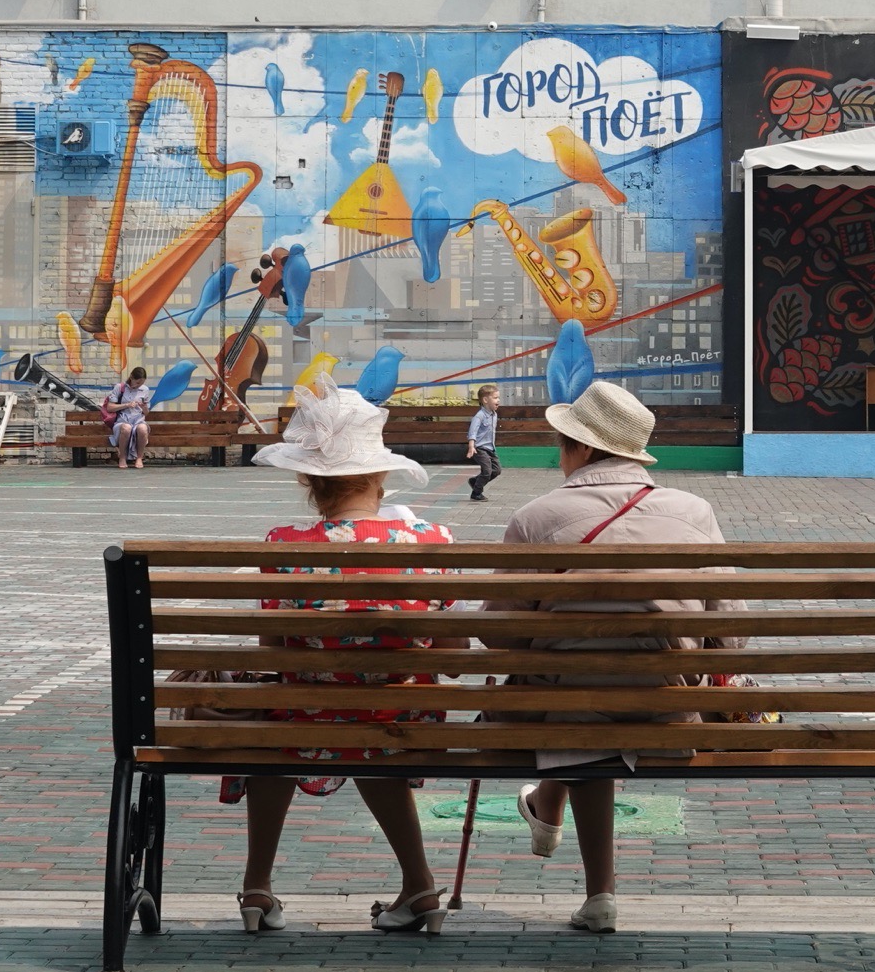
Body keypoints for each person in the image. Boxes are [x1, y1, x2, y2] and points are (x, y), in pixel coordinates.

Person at [479, 380, 744, 934]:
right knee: (597, 693)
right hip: (668, 710)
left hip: (560, 708)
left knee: (579, 701)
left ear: (581, 447)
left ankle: (592, 879)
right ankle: (561, 827)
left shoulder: (535, 517)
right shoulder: (694, 512)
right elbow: (729, 632)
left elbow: (500, 636)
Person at [233, 372, 459, 936]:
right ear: (381, 474)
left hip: (309, 709)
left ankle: (257, 885)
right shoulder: (433, 540)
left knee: (277, 720)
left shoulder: (284, 544)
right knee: (368, 724)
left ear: (309, 480)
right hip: (402, 713)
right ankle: (419, 884)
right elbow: (453, 654)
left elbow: (273, 653)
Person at [106, 366, 152, 470]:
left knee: (142, 429)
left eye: (141, 383)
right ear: (131, 377)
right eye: (137, 382)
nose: (139, 385)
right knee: (126, 428)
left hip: (138, 420)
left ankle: (139, 457)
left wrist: (144, 407)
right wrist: (126, 405)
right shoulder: (120, 387)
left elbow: (146, 413)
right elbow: (110, 407)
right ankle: (122, 457)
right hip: (122, 420)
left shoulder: (145, 390)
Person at [466, 382, 501, 502]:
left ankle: (475, 481)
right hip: (479, 448)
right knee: (487, 471)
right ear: (485, 400)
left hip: (490, 448)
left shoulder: (494, 415)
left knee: (496, 470)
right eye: (495, 398)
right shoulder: (479, 416)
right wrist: (471, 446)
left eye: (498, 397)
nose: (498, 400)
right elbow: (472, 432)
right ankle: (476, 493)